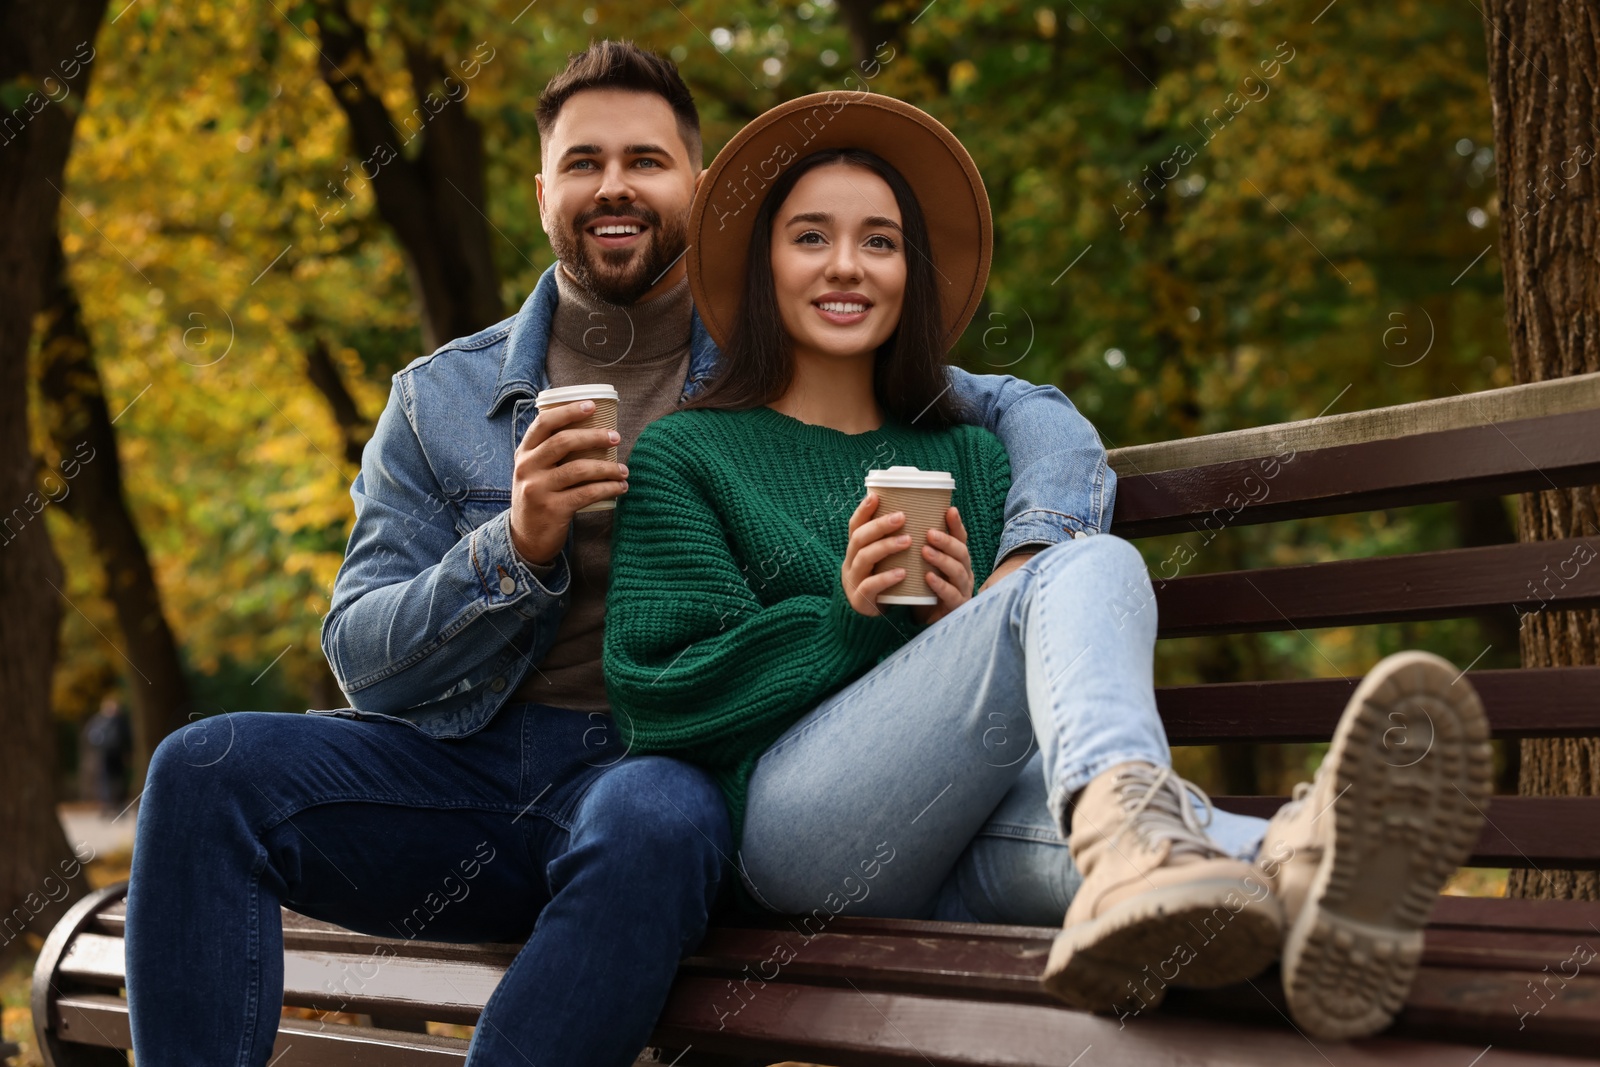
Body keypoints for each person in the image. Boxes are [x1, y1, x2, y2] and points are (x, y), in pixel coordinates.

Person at [125, 43, 1113, 1066]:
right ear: (544, 190)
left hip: (674, 764)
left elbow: (1025, 408)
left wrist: (1027, 558)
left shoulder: (775, 350)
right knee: (203, 769)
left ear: (700, 185)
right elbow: (362, 658)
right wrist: (511, 545)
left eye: (645, 161)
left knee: (652, 816)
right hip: (465, 774)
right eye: (584, 162)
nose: (614, 186)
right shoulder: (441, 396)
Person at [602, 92, 1496, 1039]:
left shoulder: (976, 462)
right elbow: (656, 695)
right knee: (1082, 560)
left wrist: (951, 637)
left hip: (967, 837)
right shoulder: (688, 454)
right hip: (795, 838)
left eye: (880, 241)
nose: (846, 266)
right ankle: (1174, 835)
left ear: (911, 271)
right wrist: (847, 618)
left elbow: (1028, 712)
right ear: (761, 266)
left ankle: (1295, 865)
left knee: (1120, 846)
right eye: (811, 236)